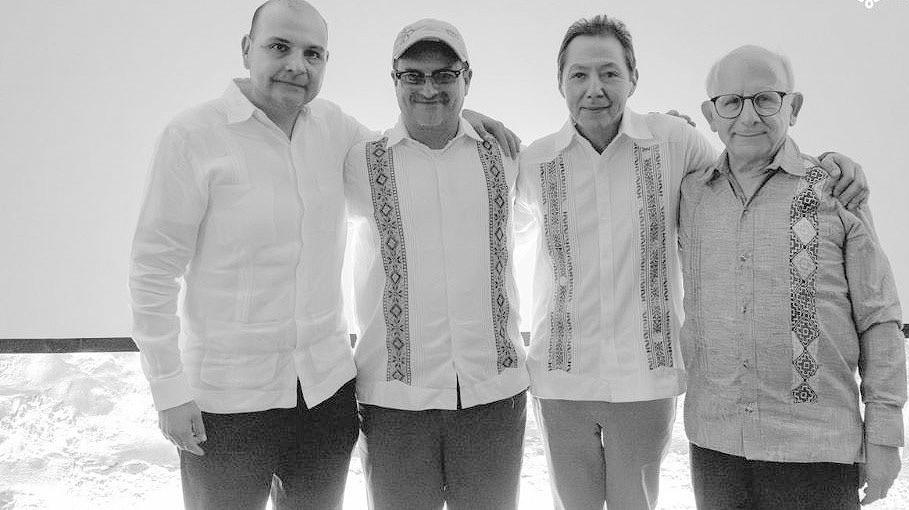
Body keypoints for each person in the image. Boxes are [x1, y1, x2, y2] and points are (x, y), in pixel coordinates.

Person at [128, 2, 517, 508]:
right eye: (279, 47)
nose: (296, 65)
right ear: (247, 50)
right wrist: (168, 390)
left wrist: (459, 115)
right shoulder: (192, 137)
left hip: (324, 397)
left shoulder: (335, 129)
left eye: (312, 53)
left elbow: (412, 149)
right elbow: (153, 270)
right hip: (225, 401)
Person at [516, 15, 869, 510]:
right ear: (560, 82)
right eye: (579, 74)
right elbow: (494, 228)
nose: (595, 88)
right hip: (560, 379)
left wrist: (828, 162)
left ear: (633, 78)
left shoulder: (674, 141)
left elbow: (745, 166)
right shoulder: (534, 162)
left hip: (645, 380)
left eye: (610, 73)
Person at [678, 45, 907, 509]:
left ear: (793, 107)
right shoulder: (691, 195)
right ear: (711, 115)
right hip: (716, 444)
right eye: (731, 102)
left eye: (765, 99)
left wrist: (885, 437)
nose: (748, 117)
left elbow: (879, 316)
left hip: (817, 449)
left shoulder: (836, 190)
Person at [343, 19, 529, 510]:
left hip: (493, 396)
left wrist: (664, 134)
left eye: (445, 75)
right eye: (414, 75)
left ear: (468, 77)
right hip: (394, 402)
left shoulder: (507, 156)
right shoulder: (357, 161)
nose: (429, 88)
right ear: (394, 79)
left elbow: (577, 185)